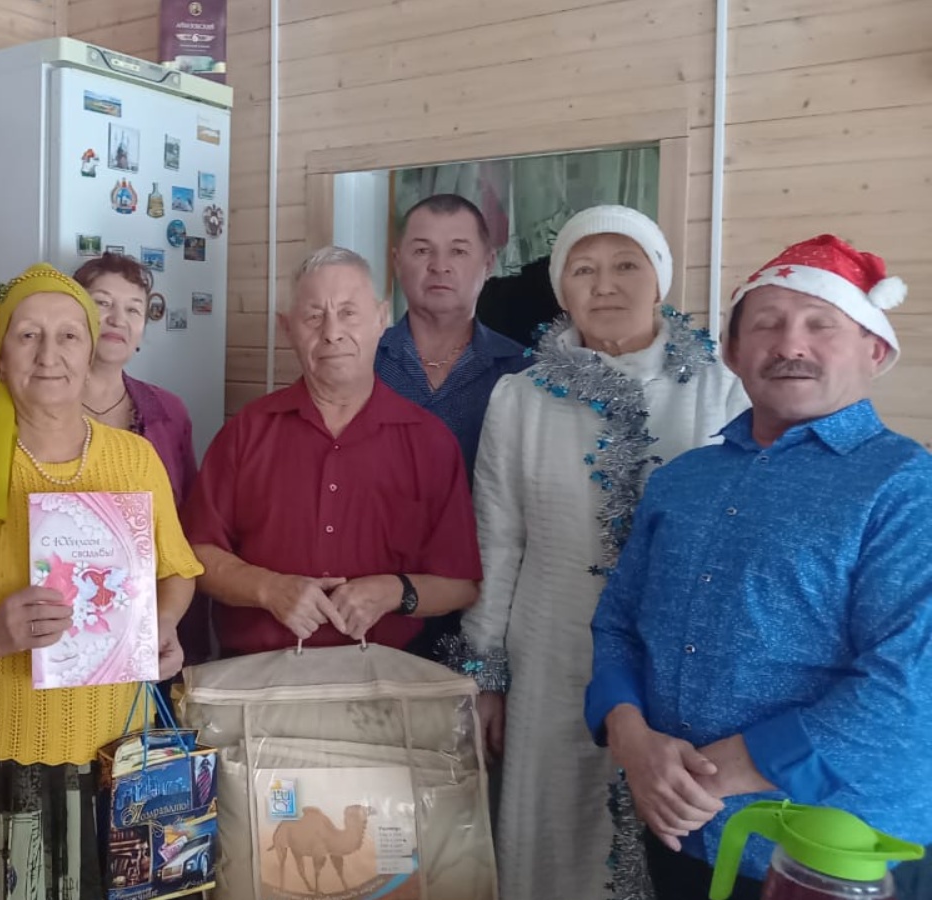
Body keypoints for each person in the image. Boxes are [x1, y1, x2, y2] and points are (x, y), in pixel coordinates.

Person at [586, 234, 932, 900]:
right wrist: (629, 737)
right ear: (734, 352)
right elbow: (618, 623)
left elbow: (910, 688)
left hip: (829, 860)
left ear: (875, 350)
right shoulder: (682, 481)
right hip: (685, 837)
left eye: (820, 324)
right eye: (768, 323)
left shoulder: (905, 487)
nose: (790, 344)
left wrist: (712, 775)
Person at [0, 262, 203, 900]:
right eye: (28, 335)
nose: (49, 354)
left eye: (68, 336)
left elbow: (178, 572)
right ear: (1, 358)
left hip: (116, 755)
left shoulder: (135, 460)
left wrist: (160, 626)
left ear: (91, 352)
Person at [456, 206, 747, 900]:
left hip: (680, 658)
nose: (606, 284)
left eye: (626, 265)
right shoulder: (520, 398)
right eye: (583, 269)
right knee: (554, 829)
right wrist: (486, 676)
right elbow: (497, 540)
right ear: (562, 289)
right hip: (550, 647)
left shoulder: (721, 390)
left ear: (660, 279)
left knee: (671, 832)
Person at [184, 246, 481, 659]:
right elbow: (195, 555)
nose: (332, 332)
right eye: (313, 317)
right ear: (287, 329)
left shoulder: (430, 442)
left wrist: (394, 591)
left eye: (348, 312)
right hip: (259, 677)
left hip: (383, 678)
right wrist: (269, 589)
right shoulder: (245, 432)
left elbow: (461, 583)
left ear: (381, 319)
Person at [375, 194, 532, 663]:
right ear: (397, 260)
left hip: (488, 605)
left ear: (488, 263)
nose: (439, 266)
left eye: (458, 251)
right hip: (373, 602)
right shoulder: (362, 361)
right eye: (423, 250)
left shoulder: (523, 374)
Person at [72, 254, 208, 661]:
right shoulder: (36, 407)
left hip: (159, 611)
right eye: (102, 303)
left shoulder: (169, 412)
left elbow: (188, 519)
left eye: (133, 309)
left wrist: (168, 617)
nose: (118, 318)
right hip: (68, 613)